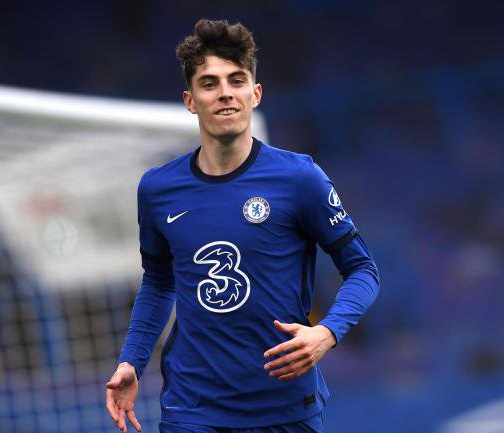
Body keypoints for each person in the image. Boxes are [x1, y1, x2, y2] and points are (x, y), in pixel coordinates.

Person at [106, 19, 380, 433]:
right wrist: (132, 360)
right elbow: (160, 282)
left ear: (256, 94)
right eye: (209, 83)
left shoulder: (299, 178)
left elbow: (363, 269)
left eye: (236, 80)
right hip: (193, 407)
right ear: (190, 100)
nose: (225, 93)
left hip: (284, 406)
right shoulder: (158, 189)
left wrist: (327, 332)